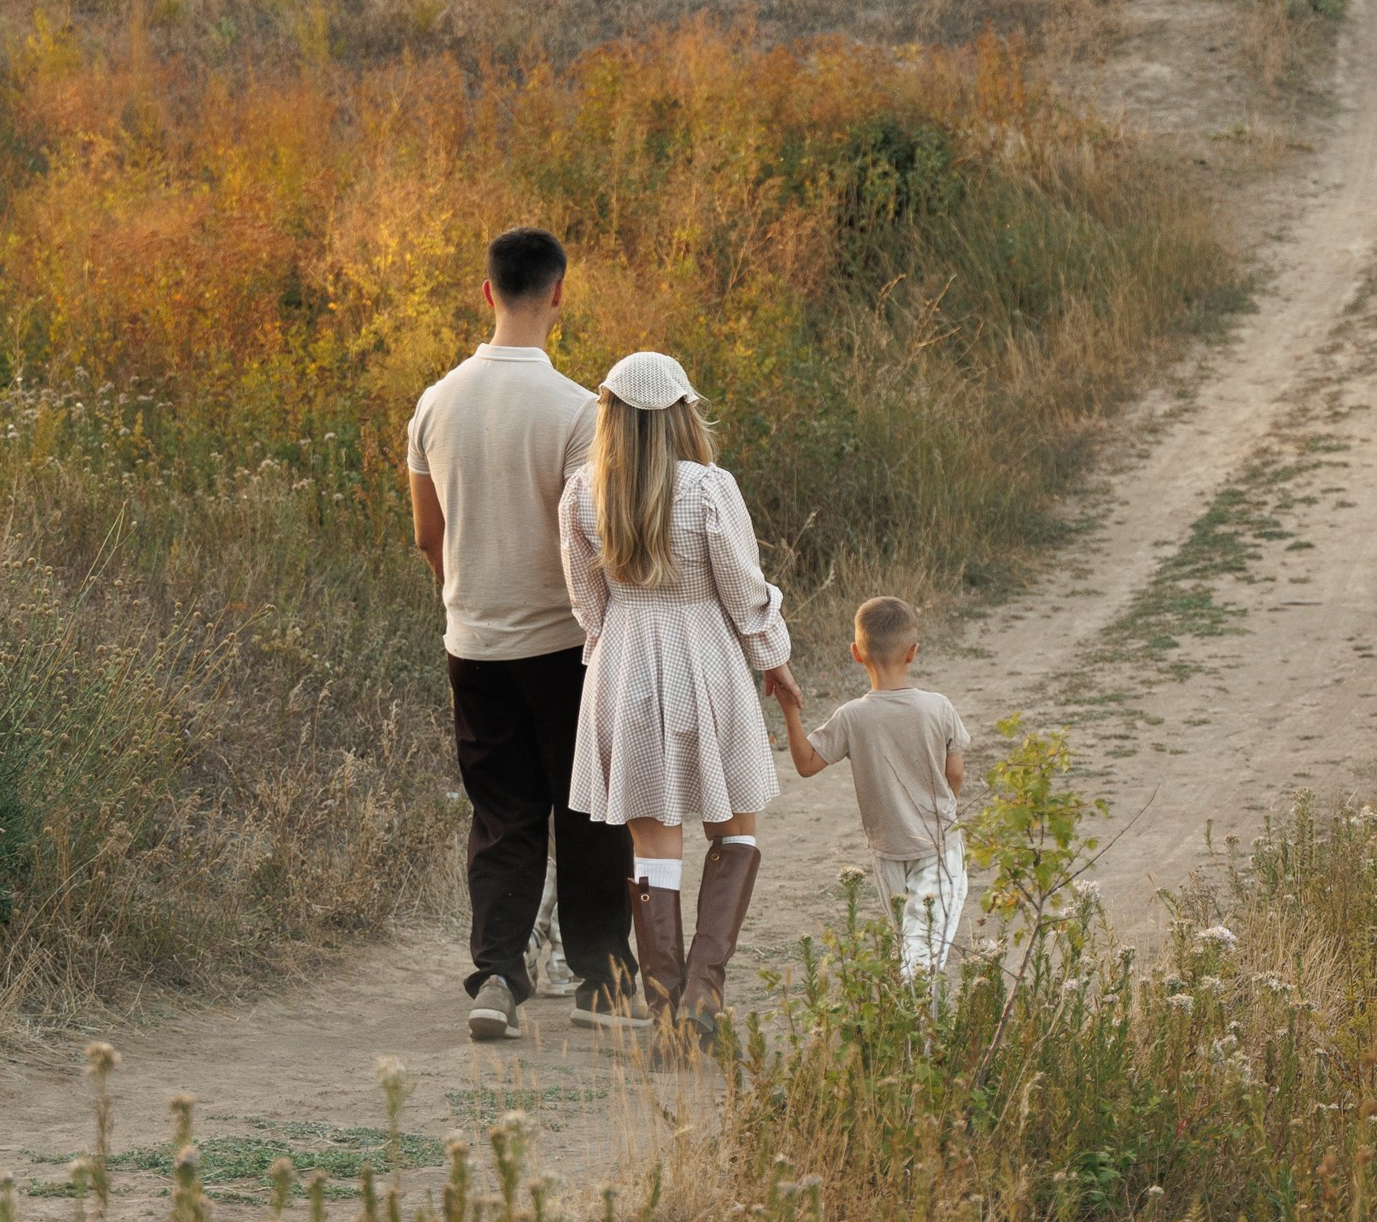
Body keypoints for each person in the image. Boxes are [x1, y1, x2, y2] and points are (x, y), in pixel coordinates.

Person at [407, 227, 638, 1045]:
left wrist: (468, 604)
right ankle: (602, 981)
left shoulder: (435, 402)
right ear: (559, 294)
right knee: (588, 811)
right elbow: (592, 542)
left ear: (486, 290)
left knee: (500, 811)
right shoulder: (579, 411)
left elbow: (427, 537)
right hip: (563, 646)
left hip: (470, 640)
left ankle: (498, 973)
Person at [558, 351, 796, 1046]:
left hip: (621, 663)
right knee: (735, 828)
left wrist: (617, 658)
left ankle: (665, 1008)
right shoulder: (707, 489)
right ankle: (703, 991)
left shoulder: (582, 491)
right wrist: (774, 663)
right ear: (680, 414)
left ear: (609, 415)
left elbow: (587, 605)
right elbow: (744, 593)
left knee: (653, 845)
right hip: (708, 661)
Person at [776, 595, 971, 994]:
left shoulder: (852, 716)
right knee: (923, 951)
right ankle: (921, 1036)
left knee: (910, 941)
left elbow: (807, 763)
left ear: (855, 654)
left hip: (886, 851)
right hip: (938, 844)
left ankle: (906, 1030)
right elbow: (955, 774)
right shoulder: (938, 708)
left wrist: (789, 711)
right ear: (913, 652)